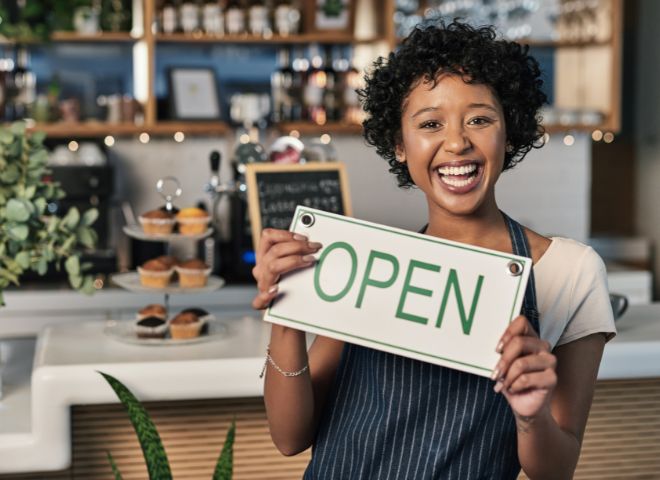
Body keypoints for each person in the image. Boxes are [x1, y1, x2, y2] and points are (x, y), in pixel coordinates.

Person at [252, 21, 616, 479]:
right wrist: (285, 315)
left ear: (509, 131)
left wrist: (530, 415)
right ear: (400, 145)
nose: (457, 142)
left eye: (479, 119)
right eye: (430, 124)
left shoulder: (569, 272)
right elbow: (290, 438)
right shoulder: (366, 261)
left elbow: (556, 467)